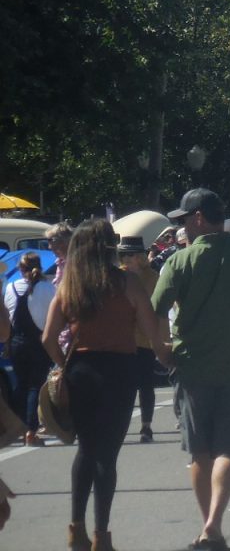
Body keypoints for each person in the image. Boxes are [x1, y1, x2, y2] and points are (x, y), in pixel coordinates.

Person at [151, 188, 230, 551]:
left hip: (192, 369)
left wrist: (162, 348)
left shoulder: (178, 262)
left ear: (197, 219)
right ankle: (214, 524)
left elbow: (154, 310)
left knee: (200, 452)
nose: (181, 228)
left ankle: (207, 525)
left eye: (183, 220)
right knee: (229, 450)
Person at [43, 220, 165, 551]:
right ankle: (102, 535)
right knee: (107, 457)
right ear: (109, 247)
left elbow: (48, 337)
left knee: (85, 449)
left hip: (81, 370)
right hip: (119, 372)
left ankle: (76, 528)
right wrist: (170, 359)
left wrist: (62, 365)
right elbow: (153, 331)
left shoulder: (70, 285)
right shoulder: (127, 282)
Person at [5, 252, 55, 446]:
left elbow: (8, 317)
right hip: (38, 342)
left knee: (20, 386)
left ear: (20, 269)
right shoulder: (47, 288)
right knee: (35, 386)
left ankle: (14, 427)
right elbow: (50, 318)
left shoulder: (11, 287)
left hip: (17, 342)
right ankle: (31, 432)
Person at [116, 237, 160, 443]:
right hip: (123, 338)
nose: (125, 259)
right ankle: (121, 426)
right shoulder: (118, 277)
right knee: (124, 386)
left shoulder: (152, 277)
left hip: (145, 338)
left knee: (146, 384)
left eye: (129, 255)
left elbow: (158, 307)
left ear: (140, 257)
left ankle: (147, 426)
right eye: (123, 255)